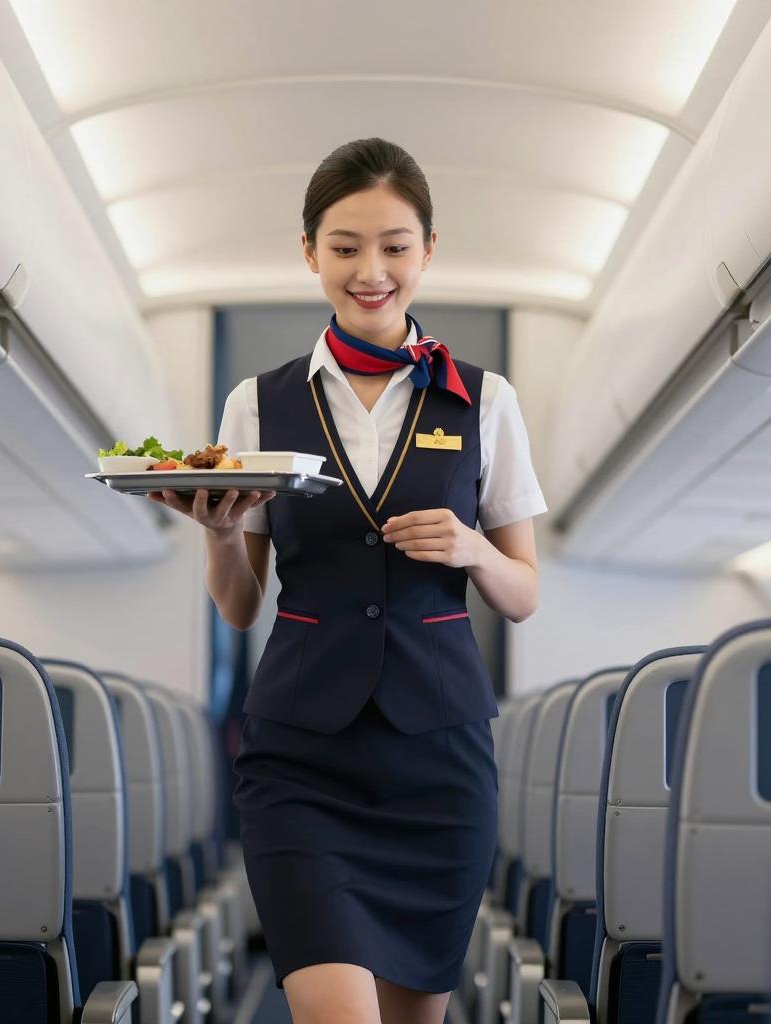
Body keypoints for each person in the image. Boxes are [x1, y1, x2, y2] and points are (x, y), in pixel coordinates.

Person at [147, 137, 546, 1024]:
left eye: (396, 246)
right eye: (345, 247)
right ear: (309, 253)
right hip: (302, 761)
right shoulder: (260, 401)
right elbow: (244, 604)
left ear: (428, 251)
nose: (372, 270)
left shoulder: (486, 400)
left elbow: (523, 594)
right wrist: (218, 538)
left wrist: (474, 550)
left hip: (438, 760)